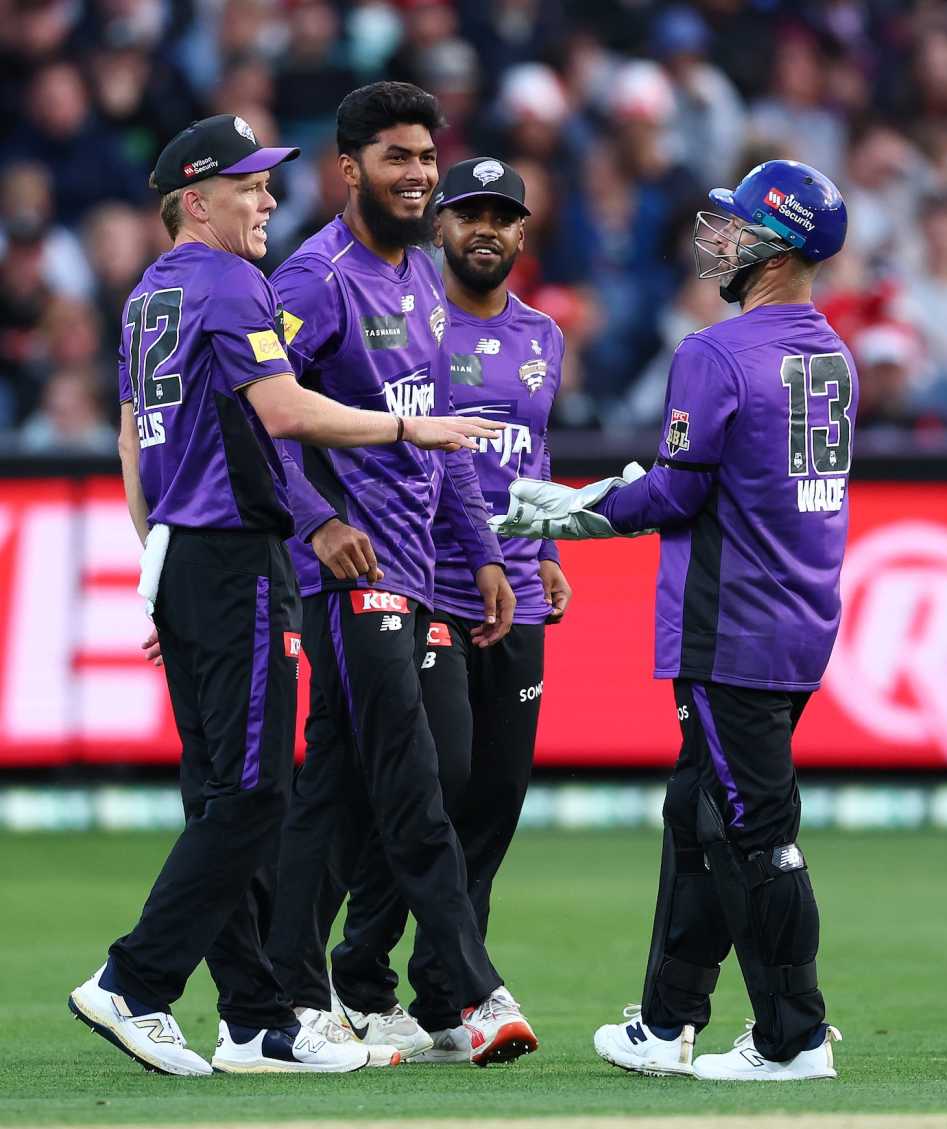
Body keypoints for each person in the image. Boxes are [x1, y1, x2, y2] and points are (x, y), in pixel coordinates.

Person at [68, 114, 502, 1078]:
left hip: (186, 550)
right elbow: (285, 410)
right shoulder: (229, 283)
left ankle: (256, 1019)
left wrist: (159, 560)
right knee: (258, 790)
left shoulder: (149, 295)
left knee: (222, 788)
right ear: (195, 199)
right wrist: (407, 431)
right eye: (249, 186)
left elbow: (135, 436)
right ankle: (135, 983)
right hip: (234, 554)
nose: (268, 200)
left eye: (268, 184)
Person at [493, 159, 856, 1082]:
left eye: (740, 227)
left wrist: (576, 511)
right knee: (697, 811)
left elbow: (679, 492)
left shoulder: (714, 353)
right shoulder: (832, 352)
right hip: (801, 619)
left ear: (777, 248)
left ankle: (794, 1037)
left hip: (729, 625)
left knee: (752, 830)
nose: (721, 239)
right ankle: (666, 1024)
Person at [264, 85, 539, 1067]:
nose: (419, 172)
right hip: (349, 571)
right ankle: (472, 990)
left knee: (352, 782)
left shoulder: (423, 278)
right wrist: (320, 520)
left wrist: (486, 552)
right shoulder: (311, 279)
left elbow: (445, 439)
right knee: (416, 775)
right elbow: (258, 419)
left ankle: (293, 994)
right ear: (349, 169)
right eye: (396, 157)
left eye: (427, 155)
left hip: (422, 568)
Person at [329, 158, 572, 1063]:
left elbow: (532, 452)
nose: (485, 229)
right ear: (441, 226)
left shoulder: (545, 335)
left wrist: (543, 552)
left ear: (522, 233)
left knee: (495, 798)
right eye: (469, 212)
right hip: (427, 581)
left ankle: (438, 991)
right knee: (435, 782)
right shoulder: (412, 323)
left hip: (515, 590)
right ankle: (366, 975)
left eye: (502, 218)